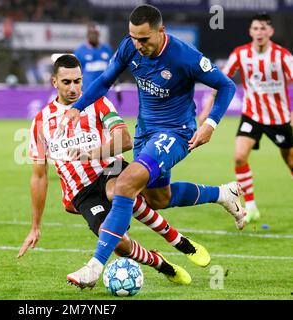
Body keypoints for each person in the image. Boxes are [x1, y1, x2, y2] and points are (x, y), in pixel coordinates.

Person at [58, 5, 247, 289]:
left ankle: (94, 266)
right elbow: (106, 80)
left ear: (161, 32)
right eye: (133, 37)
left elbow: (226, 86)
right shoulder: (129, 48)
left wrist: (210, 124)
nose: (138, 44)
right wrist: (78, 107)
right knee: (158, 199)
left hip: (176, 133)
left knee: (125, 185)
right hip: (145, 133)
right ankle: (223, 193)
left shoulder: (185, 56)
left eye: (144, 39)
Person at [18, 54, 212, 286]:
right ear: (54, 82)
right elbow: (39, 177)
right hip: (81, 192)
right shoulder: (40, 122)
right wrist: (35, 227)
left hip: (112, 167)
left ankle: (178, 240)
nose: (73, 88)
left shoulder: (97, 103)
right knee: (119, 244)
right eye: (66, 82)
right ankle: (161, 264)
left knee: (117, 189)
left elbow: (126, 140)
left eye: (78, 81)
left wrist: (91, 154)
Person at [199, 13, 293, 223]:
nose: (259, 32)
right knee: (240, 157)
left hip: (279, 119)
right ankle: (251, 207)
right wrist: (206, 110)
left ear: (270, 31)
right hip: (252, 115)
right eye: (256, 29)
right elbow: (220, 80)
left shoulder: (282, 55)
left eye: (263, 28)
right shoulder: (240, 54)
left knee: (290, 161)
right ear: (250, 31)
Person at [74, 23, 114, 91]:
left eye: (94, 33)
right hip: (87, 91)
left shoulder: (107, 49)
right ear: (87, 35)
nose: (93, 35)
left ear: (98, 34)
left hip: (103, 91)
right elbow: (75, 72)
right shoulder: (80, 51)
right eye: (90, 33)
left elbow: (113, 68)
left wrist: (117, 85)